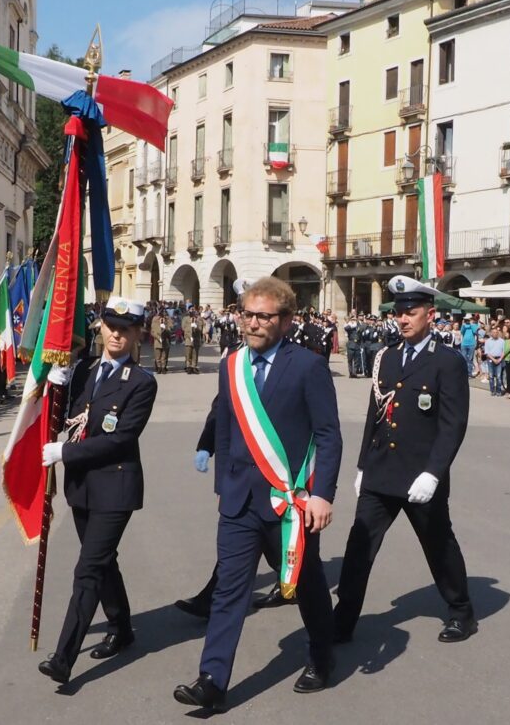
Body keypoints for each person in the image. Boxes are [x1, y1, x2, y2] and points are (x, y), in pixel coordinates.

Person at [174, 277, 341, 712]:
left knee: (306, 584)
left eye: (263, 316)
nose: (252, 323)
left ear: (285, 320)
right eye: (247, 314)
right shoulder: (231, 365)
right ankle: (212, 678)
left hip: (290, 501)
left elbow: (328, 434)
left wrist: (322, 494)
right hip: (239, 501)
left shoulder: (307, 366)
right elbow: (227, 428)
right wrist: (221, 485)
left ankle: (321, 656)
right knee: (230, 589)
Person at [333, 275, 476, 649]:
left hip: (419, 475)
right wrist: (363, 464)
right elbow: (374, 415)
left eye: (410, 312)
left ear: (430, 314)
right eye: (398, 312)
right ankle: (342, 619)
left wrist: (433, 473)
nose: (402, 319)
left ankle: (461, 611)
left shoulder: (447, 362)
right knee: (359, 546)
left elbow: (452, 425)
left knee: (438, 544)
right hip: (381, 472)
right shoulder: (387, 356)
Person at [36, 296, 158, 686]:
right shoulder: (84, 369)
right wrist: (52, 387)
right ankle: (121, 628)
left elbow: (120, 439)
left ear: (137, 333)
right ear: (100, 328)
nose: (117, 335)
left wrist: (64, 451)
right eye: (111, 327)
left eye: (125, 329)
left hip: (114, 486)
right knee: (104, 562)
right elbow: (62, 414)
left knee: (88, 568)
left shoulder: (141, 382)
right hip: (81, 486)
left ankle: (63, 658)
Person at [483, 327, 505, 396]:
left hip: (499, 359)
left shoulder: (502, 341)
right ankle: (492, 390)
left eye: (496, 332)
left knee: (498, 376)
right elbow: (487, 352)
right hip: (490, 359)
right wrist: (494, 359)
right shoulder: (488, 341)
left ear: (498, 333)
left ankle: (498, 391)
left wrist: (500, 359)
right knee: (491, 376)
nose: (495, 333)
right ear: (491, 333)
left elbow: (503, 351)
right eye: (493, 332)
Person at [183, 308, 204, 374]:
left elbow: (200, 329)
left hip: (196, 339)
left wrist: (196, 326)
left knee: (195, 354)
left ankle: (194, 367)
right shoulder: (186, 320)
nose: (194, 316)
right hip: (188, 339)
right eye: (192, 314)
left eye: (195, 314)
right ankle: (188, 367)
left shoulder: (199, 320)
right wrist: (189, 334)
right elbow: (184, 328)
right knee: (188, 354)